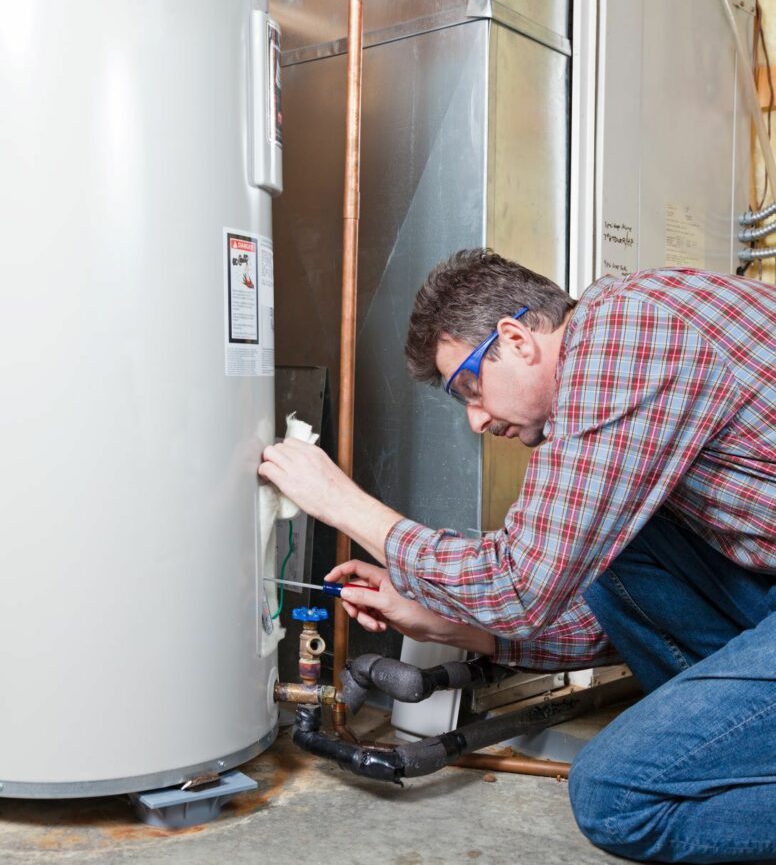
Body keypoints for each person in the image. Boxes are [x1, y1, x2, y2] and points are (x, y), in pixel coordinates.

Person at [259, 249, 776, 864]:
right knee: (607, 554)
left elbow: (519, 587)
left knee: (619, 796)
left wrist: (343, 504)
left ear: (516, 339)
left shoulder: (628, 339)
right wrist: (444, 622)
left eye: (471, 389)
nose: (476, 419)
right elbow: (602, 612)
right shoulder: (626, 336)